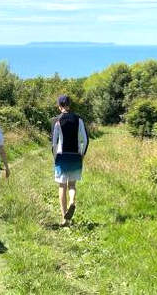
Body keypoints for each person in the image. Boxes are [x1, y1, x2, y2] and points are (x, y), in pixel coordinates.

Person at [52, 95, 89, 226]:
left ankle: (65, 218)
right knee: (72, 185)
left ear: (59, 106)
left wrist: (55, 157)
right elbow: (85, 139)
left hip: (62, 155)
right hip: (76, 155)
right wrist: (82, 154)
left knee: (62, 186)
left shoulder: (57, 120)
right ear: (69, 105)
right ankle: (72, 201)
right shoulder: (79, 120)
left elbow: (54, 143)